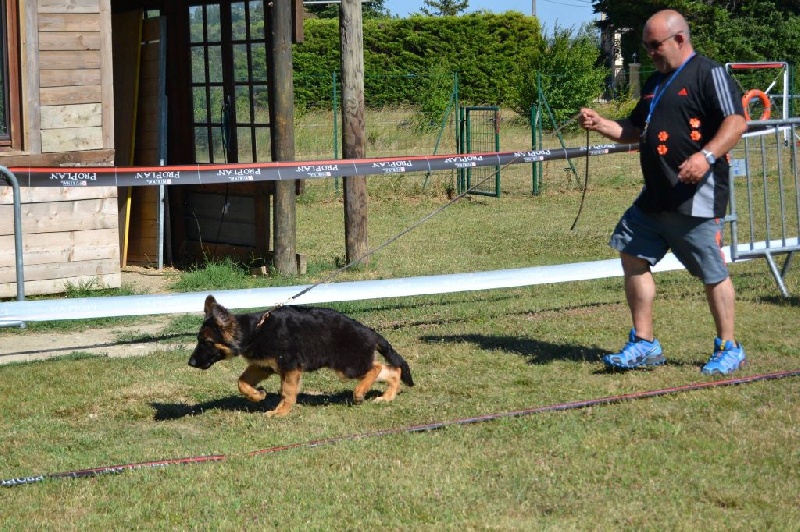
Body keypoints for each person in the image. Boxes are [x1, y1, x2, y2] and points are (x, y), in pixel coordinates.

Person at [579, 9, 748, 374]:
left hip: (696, 197)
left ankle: (728, 346)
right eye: (646, 46)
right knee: (631, 255)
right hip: (655, 197)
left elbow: (737, 121)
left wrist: (705, 157)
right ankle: (644, 343)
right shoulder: (655, 82)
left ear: (680, 39)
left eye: (655, 45)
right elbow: (634, 129)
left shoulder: (709, 73)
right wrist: (601, 123)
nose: (651, 52)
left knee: (712, 272)